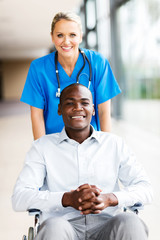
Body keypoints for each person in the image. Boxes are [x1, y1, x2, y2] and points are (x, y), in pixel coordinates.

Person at [12, 84, 153, 240]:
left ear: (93, 109)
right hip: (63, 225)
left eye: (84, 103)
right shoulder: (42, 147)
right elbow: (20, 197)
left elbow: (145, 189)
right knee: (53, 227)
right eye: (70, 103)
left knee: (130, 222)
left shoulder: (114, 144)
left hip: (107, 224)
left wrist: (110, 198)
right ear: (59, 109)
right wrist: (66, 199)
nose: (77, 108)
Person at [20, 12, 121, 140]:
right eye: (60, 35)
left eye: (72, 35)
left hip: (90, 142)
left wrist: (107, 148)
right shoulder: (38, 68)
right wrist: (41, 151)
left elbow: (103, 111)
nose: (66, 41)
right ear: (52, 37)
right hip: (54, 142)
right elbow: (37, 115)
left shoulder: (97, 63)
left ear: (80, 37)